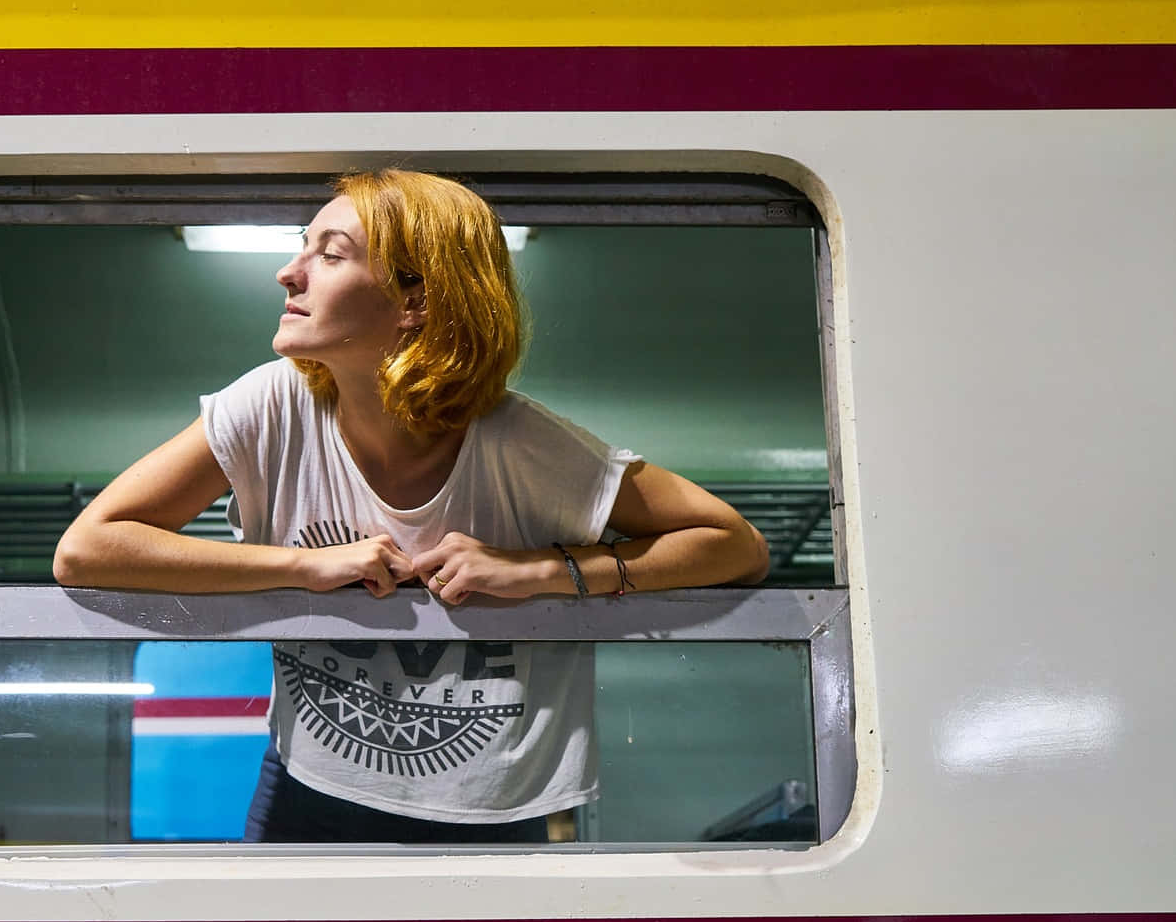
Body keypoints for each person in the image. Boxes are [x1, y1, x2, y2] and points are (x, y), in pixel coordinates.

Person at [53, 169, 768, 843]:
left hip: (494, 807)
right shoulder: (271, 405)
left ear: (416, 301)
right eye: (300, 248)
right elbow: (88, 549)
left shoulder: (520, 442)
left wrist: (540, 572)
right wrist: (304, 567)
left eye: (329, 255)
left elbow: (733, 544)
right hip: (308, 790)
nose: (289, 272)